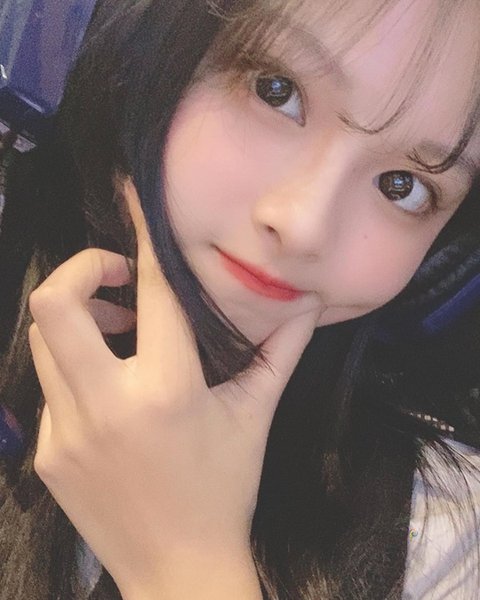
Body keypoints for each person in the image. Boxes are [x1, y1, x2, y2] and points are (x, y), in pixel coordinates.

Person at [1, 0, 480, 597]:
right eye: (275, 91)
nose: (304, 226)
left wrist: (183, 561)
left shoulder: (444, 535)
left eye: (403, 186)